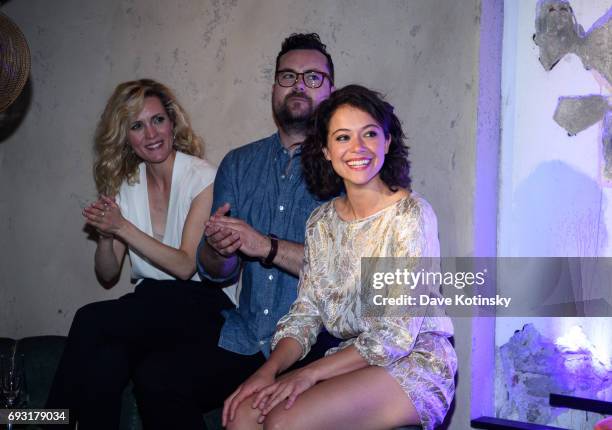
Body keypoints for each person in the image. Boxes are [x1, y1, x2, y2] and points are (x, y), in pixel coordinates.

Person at [132, 33, 340, 428]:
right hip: (246, 338)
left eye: (313, 78)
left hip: (317, 345)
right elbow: (216, 272)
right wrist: (219, 247)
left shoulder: (348, 164)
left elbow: (344, 273)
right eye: (287, 76)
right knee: (158, 376)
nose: (298, 85)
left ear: (332, 90)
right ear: (273, 88)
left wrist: (265, 245)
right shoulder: (239, 163)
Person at [223, 85, 457, 430]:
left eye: (370, 134)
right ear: (326, 150)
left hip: (413, 362)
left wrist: (307, 375)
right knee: (243, 416)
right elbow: (305, 315)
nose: (358, 148)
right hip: (353, 360)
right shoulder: (321, 223)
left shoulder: (410, 215)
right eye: (343, 137)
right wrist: (266, 372)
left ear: (387, 142)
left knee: (283, 422)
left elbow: (393, 335)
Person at [45, 79, 231, 430]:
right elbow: (108, 272)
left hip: (199, 305)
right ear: (126, 137)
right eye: (137, 126)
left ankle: (46, 422)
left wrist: (123, 228)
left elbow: (185, 264)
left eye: (158, 120)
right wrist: (105, 236)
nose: (151, 134)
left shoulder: (202, 177)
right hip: (150, 306)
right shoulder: (125, 184)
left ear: (172, 123)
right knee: (107, 362)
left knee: (89, 319)